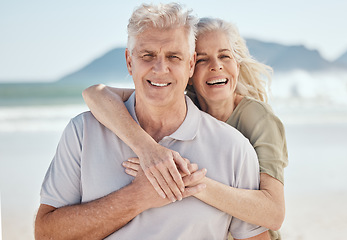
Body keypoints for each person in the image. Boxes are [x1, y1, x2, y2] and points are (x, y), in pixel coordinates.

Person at [35, 3, 270, 240]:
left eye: (173, 57)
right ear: (129, 61)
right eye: (147, 56)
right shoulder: (82, 133)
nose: (160, 68)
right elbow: (45, 234)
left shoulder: (234, 148)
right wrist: (137, 196)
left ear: (190, 64)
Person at [83, 17, 288, 239]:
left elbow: (274, 214)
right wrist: (147, 149)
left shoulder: (258, 119)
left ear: (236, 65)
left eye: (224, 56)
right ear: (189, 69)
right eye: (202, 59)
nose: (216, 65)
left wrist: (185, 180)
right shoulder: (184, 102)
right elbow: (96, 94)